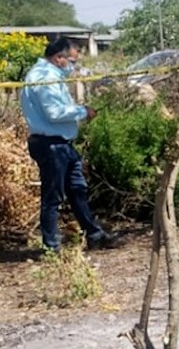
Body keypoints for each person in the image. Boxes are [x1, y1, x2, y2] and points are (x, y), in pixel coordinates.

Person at [20, 38, 120, 252]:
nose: (73, 66)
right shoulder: (44, 78)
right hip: (51, 145)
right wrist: (83, 112)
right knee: (53, 196)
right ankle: (51, 247)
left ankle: (94, 235)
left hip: (61, 144)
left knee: (77, 190)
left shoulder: (49, 75)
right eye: (72, 61)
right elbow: (55, 113)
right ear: (59, 58)